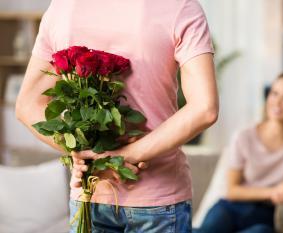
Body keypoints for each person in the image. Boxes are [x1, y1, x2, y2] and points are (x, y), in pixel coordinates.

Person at [16, 0, 218, 232]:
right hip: (157, 199)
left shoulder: (64, 6)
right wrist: (125, 156)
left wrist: (86, 154)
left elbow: (28, 105)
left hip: (90, 194)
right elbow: (204, 107)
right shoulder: (180, 6)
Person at [194, 71, 283, 233]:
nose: (277, 102)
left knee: (261, 232)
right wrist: (272, 192)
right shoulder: (244, 137)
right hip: (229, 209)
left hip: (264, 214)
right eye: (274, 93)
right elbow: (232, 190)